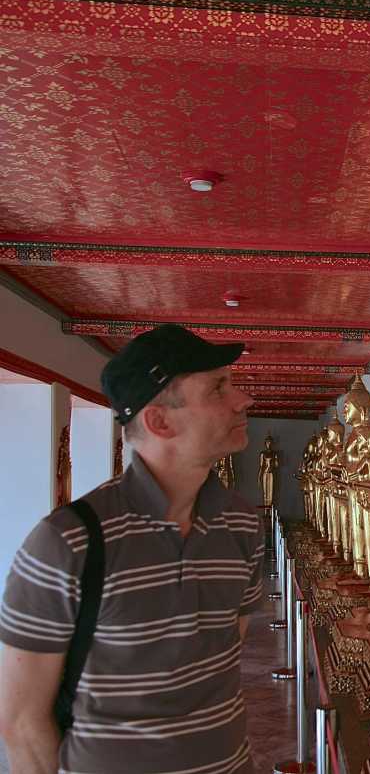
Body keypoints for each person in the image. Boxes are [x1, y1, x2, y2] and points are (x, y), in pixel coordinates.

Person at [0, 324, 263, 774]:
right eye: (219, 388)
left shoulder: (240, 523)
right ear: (160, 421)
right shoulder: (67, 543)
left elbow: (220, 655)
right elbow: (23, 725)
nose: (244, 400)